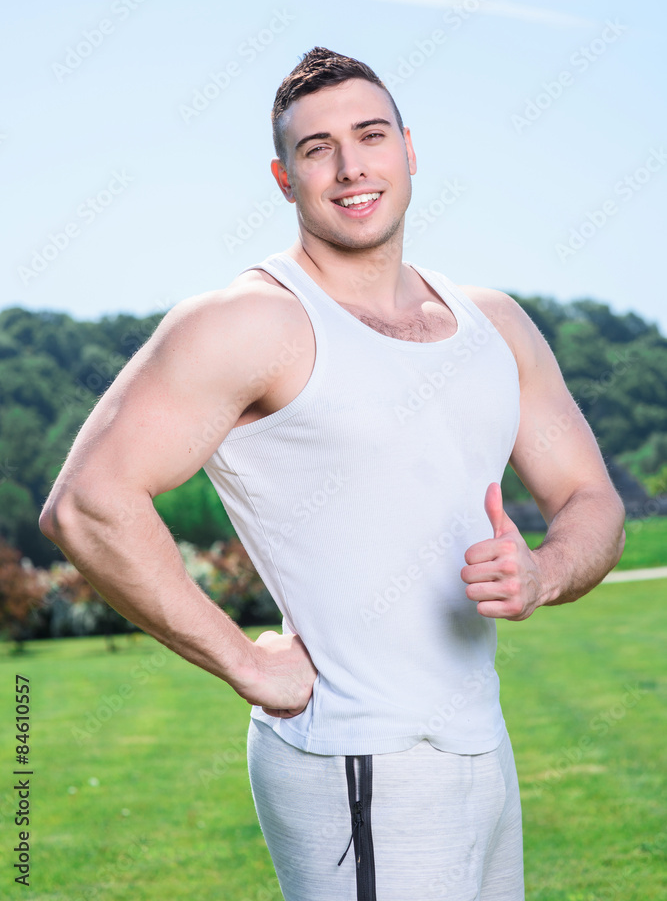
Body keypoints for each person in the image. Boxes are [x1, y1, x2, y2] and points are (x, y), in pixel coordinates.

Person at [40, 47, 626, 901]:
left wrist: (544, 571)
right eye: (317, 149)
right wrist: (244, 661)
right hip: (356, 756)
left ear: (409, 149)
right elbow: (88, 504)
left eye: (370, 135)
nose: (351, 166)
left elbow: (590, 498)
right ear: (283, 178)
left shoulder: (491, 322)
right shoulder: (250, 322)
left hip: (480, 742)